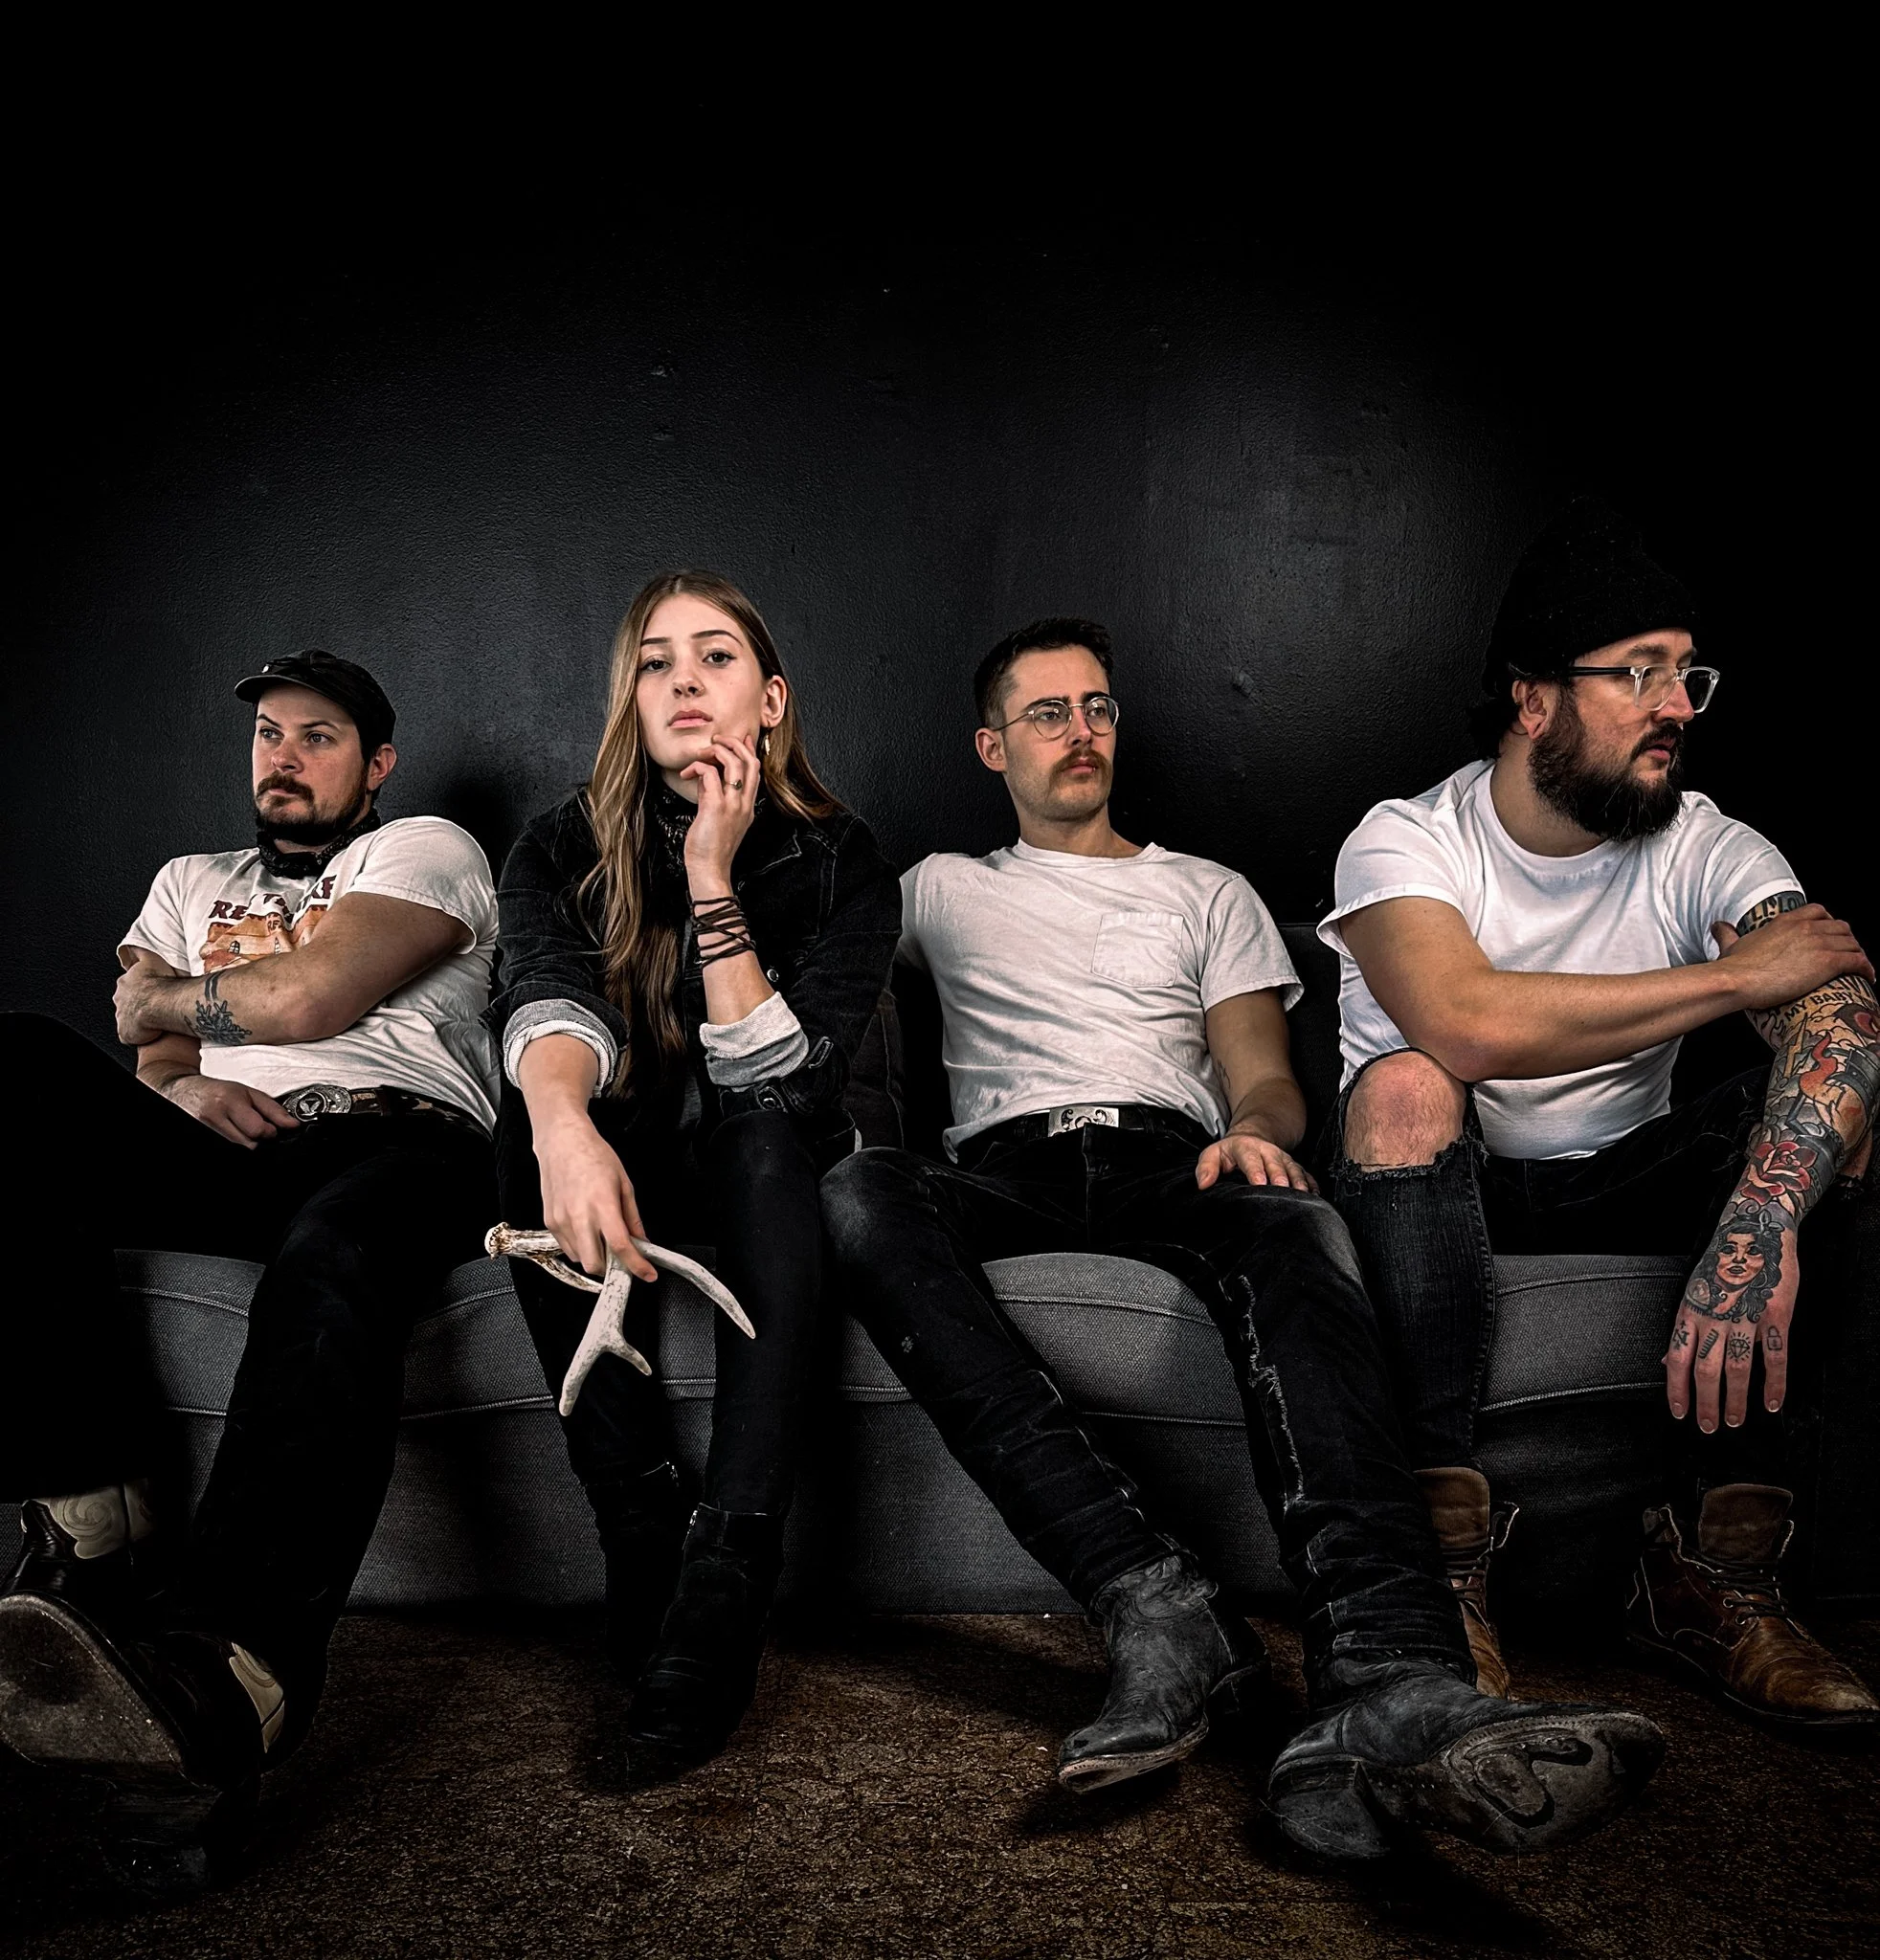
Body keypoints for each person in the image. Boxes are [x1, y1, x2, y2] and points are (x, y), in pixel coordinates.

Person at [820, 616, 1664, 1861]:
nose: (1080, 732)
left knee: (1297, 1224)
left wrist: (1258, 1134)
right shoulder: (937, 887)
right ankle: (1152, 1599)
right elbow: (809, 950)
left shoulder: (1205, 890)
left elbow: (1262, 1078)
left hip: (1177, 1156)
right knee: (854, 1194)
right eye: (1047, 713)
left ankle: (1390, 1675)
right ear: (991, 746)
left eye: (1098, 707)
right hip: (1002, 1169)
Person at [1324, 501, 1878, 1736]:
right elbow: (1464, 1022)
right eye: (1636, 673)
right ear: (1531, 699)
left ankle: (1710, 1576)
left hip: (1625, 1174)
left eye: (1687, 674)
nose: (1675, 705)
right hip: (1442, 1183)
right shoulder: (1403, 839)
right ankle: (1438, 1570)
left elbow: (1837, 1010)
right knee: (1406, 1081)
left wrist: (1762, 1216)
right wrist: (1733, 978)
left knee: (1828, 1111)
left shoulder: (1703, 842)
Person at [0, 650, 501, 1889]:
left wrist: (165, 1005)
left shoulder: (425, 850)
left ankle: (234, 1669)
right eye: (270, 733)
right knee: (14, 1066)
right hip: (231, 1148)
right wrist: (179, 1084)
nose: (284, 755)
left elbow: (311, 996)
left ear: (376, 764)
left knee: (333, 1258)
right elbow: (153, 1049)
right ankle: (91, 1513)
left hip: (400, 1143)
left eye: (318, 735)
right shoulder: (190, 880)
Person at [490, 569, 899, 1776]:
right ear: (630, 698)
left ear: (769, 698)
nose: (682, 680)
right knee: (533, 1111)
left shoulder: (841, 856)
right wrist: (561, 1125)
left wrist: (713, 875)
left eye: (714, 655)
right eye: (654, 661)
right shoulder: (558, 842)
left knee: (764, 1132)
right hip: (622, 1169)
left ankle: (726, 1565)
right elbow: (546, 999)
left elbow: (783, 1082)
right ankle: (635, 1520)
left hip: (763, 1171)